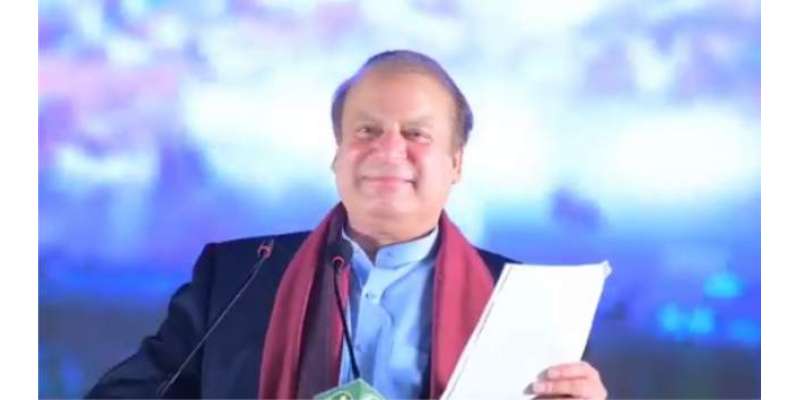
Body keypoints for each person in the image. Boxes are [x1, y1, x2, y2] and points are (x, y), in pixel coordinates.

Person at [87, 50, 607, 399]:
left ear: (456, 164)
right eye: (367, 131)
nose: (388, 151)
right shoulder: (239, 276)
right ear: (337, 155)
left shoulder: (525, 300)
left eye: (416, 134)